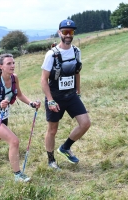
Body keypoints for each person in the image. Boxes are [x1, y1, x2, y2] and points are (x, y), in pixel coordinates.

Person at [0, 53, 40, 182]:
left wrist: (31, 103)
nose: (12, 65)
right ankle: (17, 175)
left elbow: (20, 95)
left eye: (13, 63)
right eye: (9, 63)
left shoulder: (14, 78)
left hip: (3, 116)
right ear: (1, 66)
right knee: (14, 141)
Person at [40, 19, 91, 170]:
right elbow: (43, 80)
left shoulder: (76, 51)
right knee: (52, 130)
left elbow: (77, 72)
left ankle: (65, 147)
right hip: (55, 97)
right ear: (59, 33)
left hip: (71, 95)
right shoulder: (52, 54)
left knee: (85, 123)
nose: (68, 35)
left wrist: (78, 91)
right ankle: (51, 160)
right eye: (65, 32)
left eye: (71, 32)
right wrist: (50, 100)